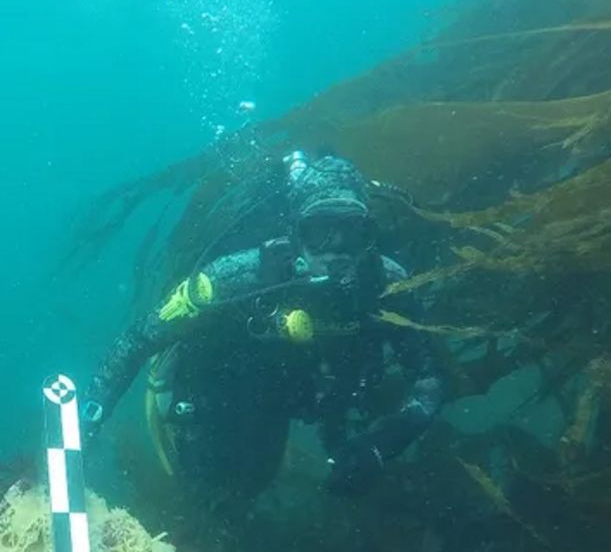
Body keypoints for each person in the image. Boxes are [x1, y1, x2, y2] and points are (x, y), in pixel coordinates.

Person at [80, 148, 443, 497]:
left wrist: (380, 447)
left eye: (354, 234)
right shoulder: (236, 275)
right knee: (204, 478)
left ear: (370, 236)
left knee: (256, 482)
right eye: (321, 233)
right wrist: (94, 408)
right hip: (224, 388)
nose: (337, 252)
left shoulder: (391, 284)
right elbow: (142, 336)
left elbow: (427, 379)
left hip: (294, 394)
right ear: (296, 236)